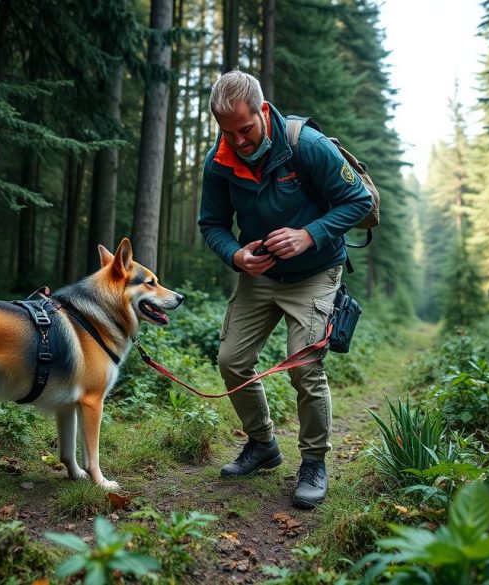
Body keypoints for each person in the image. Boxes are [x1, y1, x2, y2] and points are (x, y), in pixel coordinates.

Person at [198, 70, 372, 509]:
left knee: (304, 366)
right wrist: (237, 256)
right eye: (227, 131)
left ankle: (313, 461)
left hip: (315, 272)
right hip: (260, 276)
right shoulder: (219, 161)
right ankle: (262, 445)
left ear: (262, 110)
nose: (238, 141)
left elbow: (360, 202)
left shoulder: (306, 146)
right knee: (232, 361)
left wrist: (308, 234)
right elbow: (213, 224)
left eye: (246, 129)